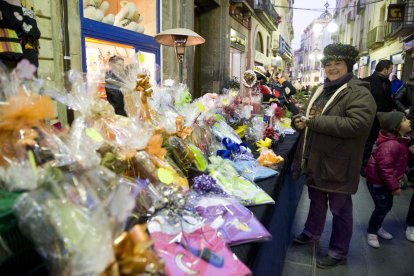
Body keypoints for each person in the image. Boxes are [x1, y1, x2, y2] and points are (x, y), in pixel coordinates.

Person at [291, 43, 376, 269]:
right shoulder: (323, 89)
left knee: (340, 209)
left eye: (338, 63)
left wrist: (314, 122)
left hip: (339, 163)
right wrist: (300, 120)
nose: (333, 68)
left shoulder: (358, 92)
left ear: (348, 66)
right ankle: (312, 231)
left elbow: (358, 125)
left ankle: (339, 251)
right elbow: (311, 115)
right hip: (317, 158)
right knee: (316, 200)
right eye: (328, 64)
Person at [364, 111, 413, 248]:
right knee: (381, 207)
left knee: (386, 206)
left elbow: (399, 159)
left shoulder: (400, 141)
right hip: (378, 183)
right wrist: (394, 187)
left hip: (385, 182)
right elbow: (385, 169)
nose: (408, 121)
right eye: (404, 119)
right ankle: (372, 231)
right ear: (396, 127)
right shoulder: (390, 145)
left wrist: (409, 152)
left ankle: (377, 226)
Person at [361, 60, 394, 174]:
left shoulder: (388, 83)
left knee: (379, 143)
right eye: (390, 69)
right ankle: (363, 167)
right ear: (385, 70)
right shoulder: (367, 82)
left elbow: (388, 99)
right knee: (367, 143)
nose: (391, 71)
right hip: (370, 119)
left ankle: (374, 165)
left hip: (383, 119)